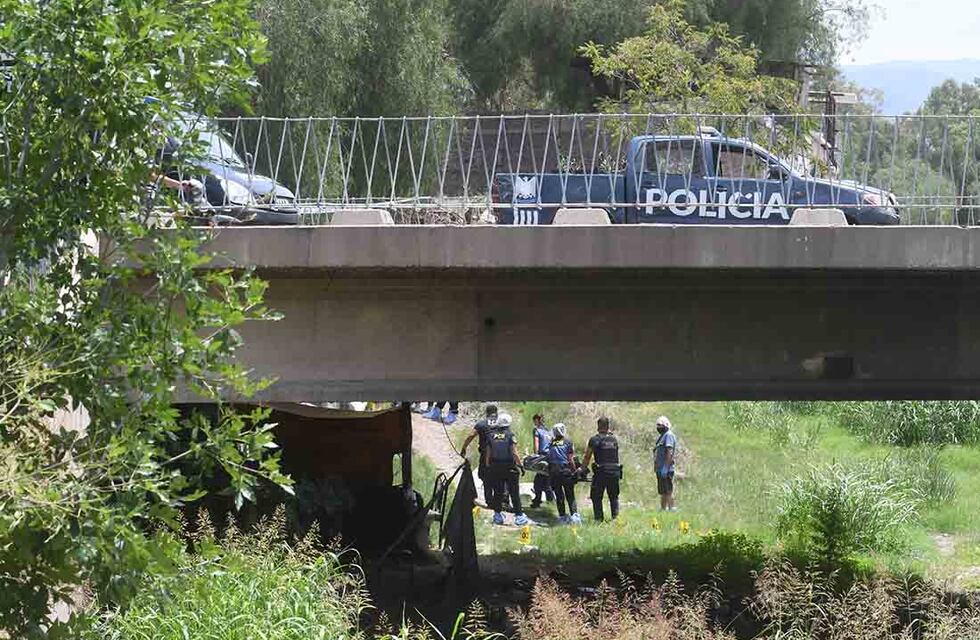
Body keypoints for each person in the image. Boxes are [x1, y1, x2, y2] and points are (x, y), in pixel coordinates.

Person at [483, 412, 529, 526]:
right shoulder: (510, 435)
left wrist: (488, 465)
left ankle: (498, 516)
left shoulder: (491, 435)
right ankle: (519, 517)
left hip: (495, 467)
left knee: (498, 492)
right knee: (514, 492)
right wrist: (520, 465)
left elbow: (488, 453)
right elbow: (514, 452)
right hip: (509, 467)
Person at [581, 416, 621, 522]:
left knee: (596, 496)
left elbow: (587, 456)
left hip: (601, 472)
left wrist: (582, 469)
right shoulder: (614, 439)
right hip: (615, 472)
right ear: (608, 427)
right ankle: (616, 519)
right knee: (613, 497)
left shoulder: (595, 439)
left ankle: (599, 520)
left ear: (598, 426)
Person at [460, 404, 498, 505]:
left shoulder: (482, 424)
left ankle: (490, 500)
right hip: (502, 454)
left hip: (486, 454)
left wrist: (464, 448)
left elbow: (471, 435)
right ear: (496, 413)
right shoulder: (502, 423)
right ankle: (503, 499)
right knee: (501, 475)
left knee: (485, 476)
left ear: (487, 413)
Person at [547, 423, 581, 524]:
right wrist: (575, 471)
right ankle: (574, 516)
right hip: (565, 470)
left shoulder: (552, 443)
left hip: (554, 471)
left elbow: (550, 457)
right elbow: (570, 459)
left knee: (559, 495)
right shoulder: (567, 442)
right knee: (570, 494)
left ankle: (562, 516)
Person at [530, 414, 555, 508]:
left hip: (542, 457)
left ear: (537, 420)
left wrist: (535, 456)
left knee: (538, 481)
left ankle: (538, 501)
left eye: (534, 421)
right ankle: (550, 502)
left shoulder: (537, 430)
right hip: (550, 457)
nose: (534, 423)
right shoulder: (550, 432)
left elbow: (536, 444)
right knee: (546, 479)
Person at [654, 415, 678, 511]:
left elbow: (669, 451)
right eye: (657, 425)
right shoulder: (662, 437)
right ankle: (663, 509)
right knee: (662, 491)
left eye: (660, 425)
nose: (659, 427)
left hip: (666, 469)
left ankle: (671, 508)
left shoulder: (668, 435)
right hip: (660, 469)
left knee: (668, 490)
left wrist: (666, 467)